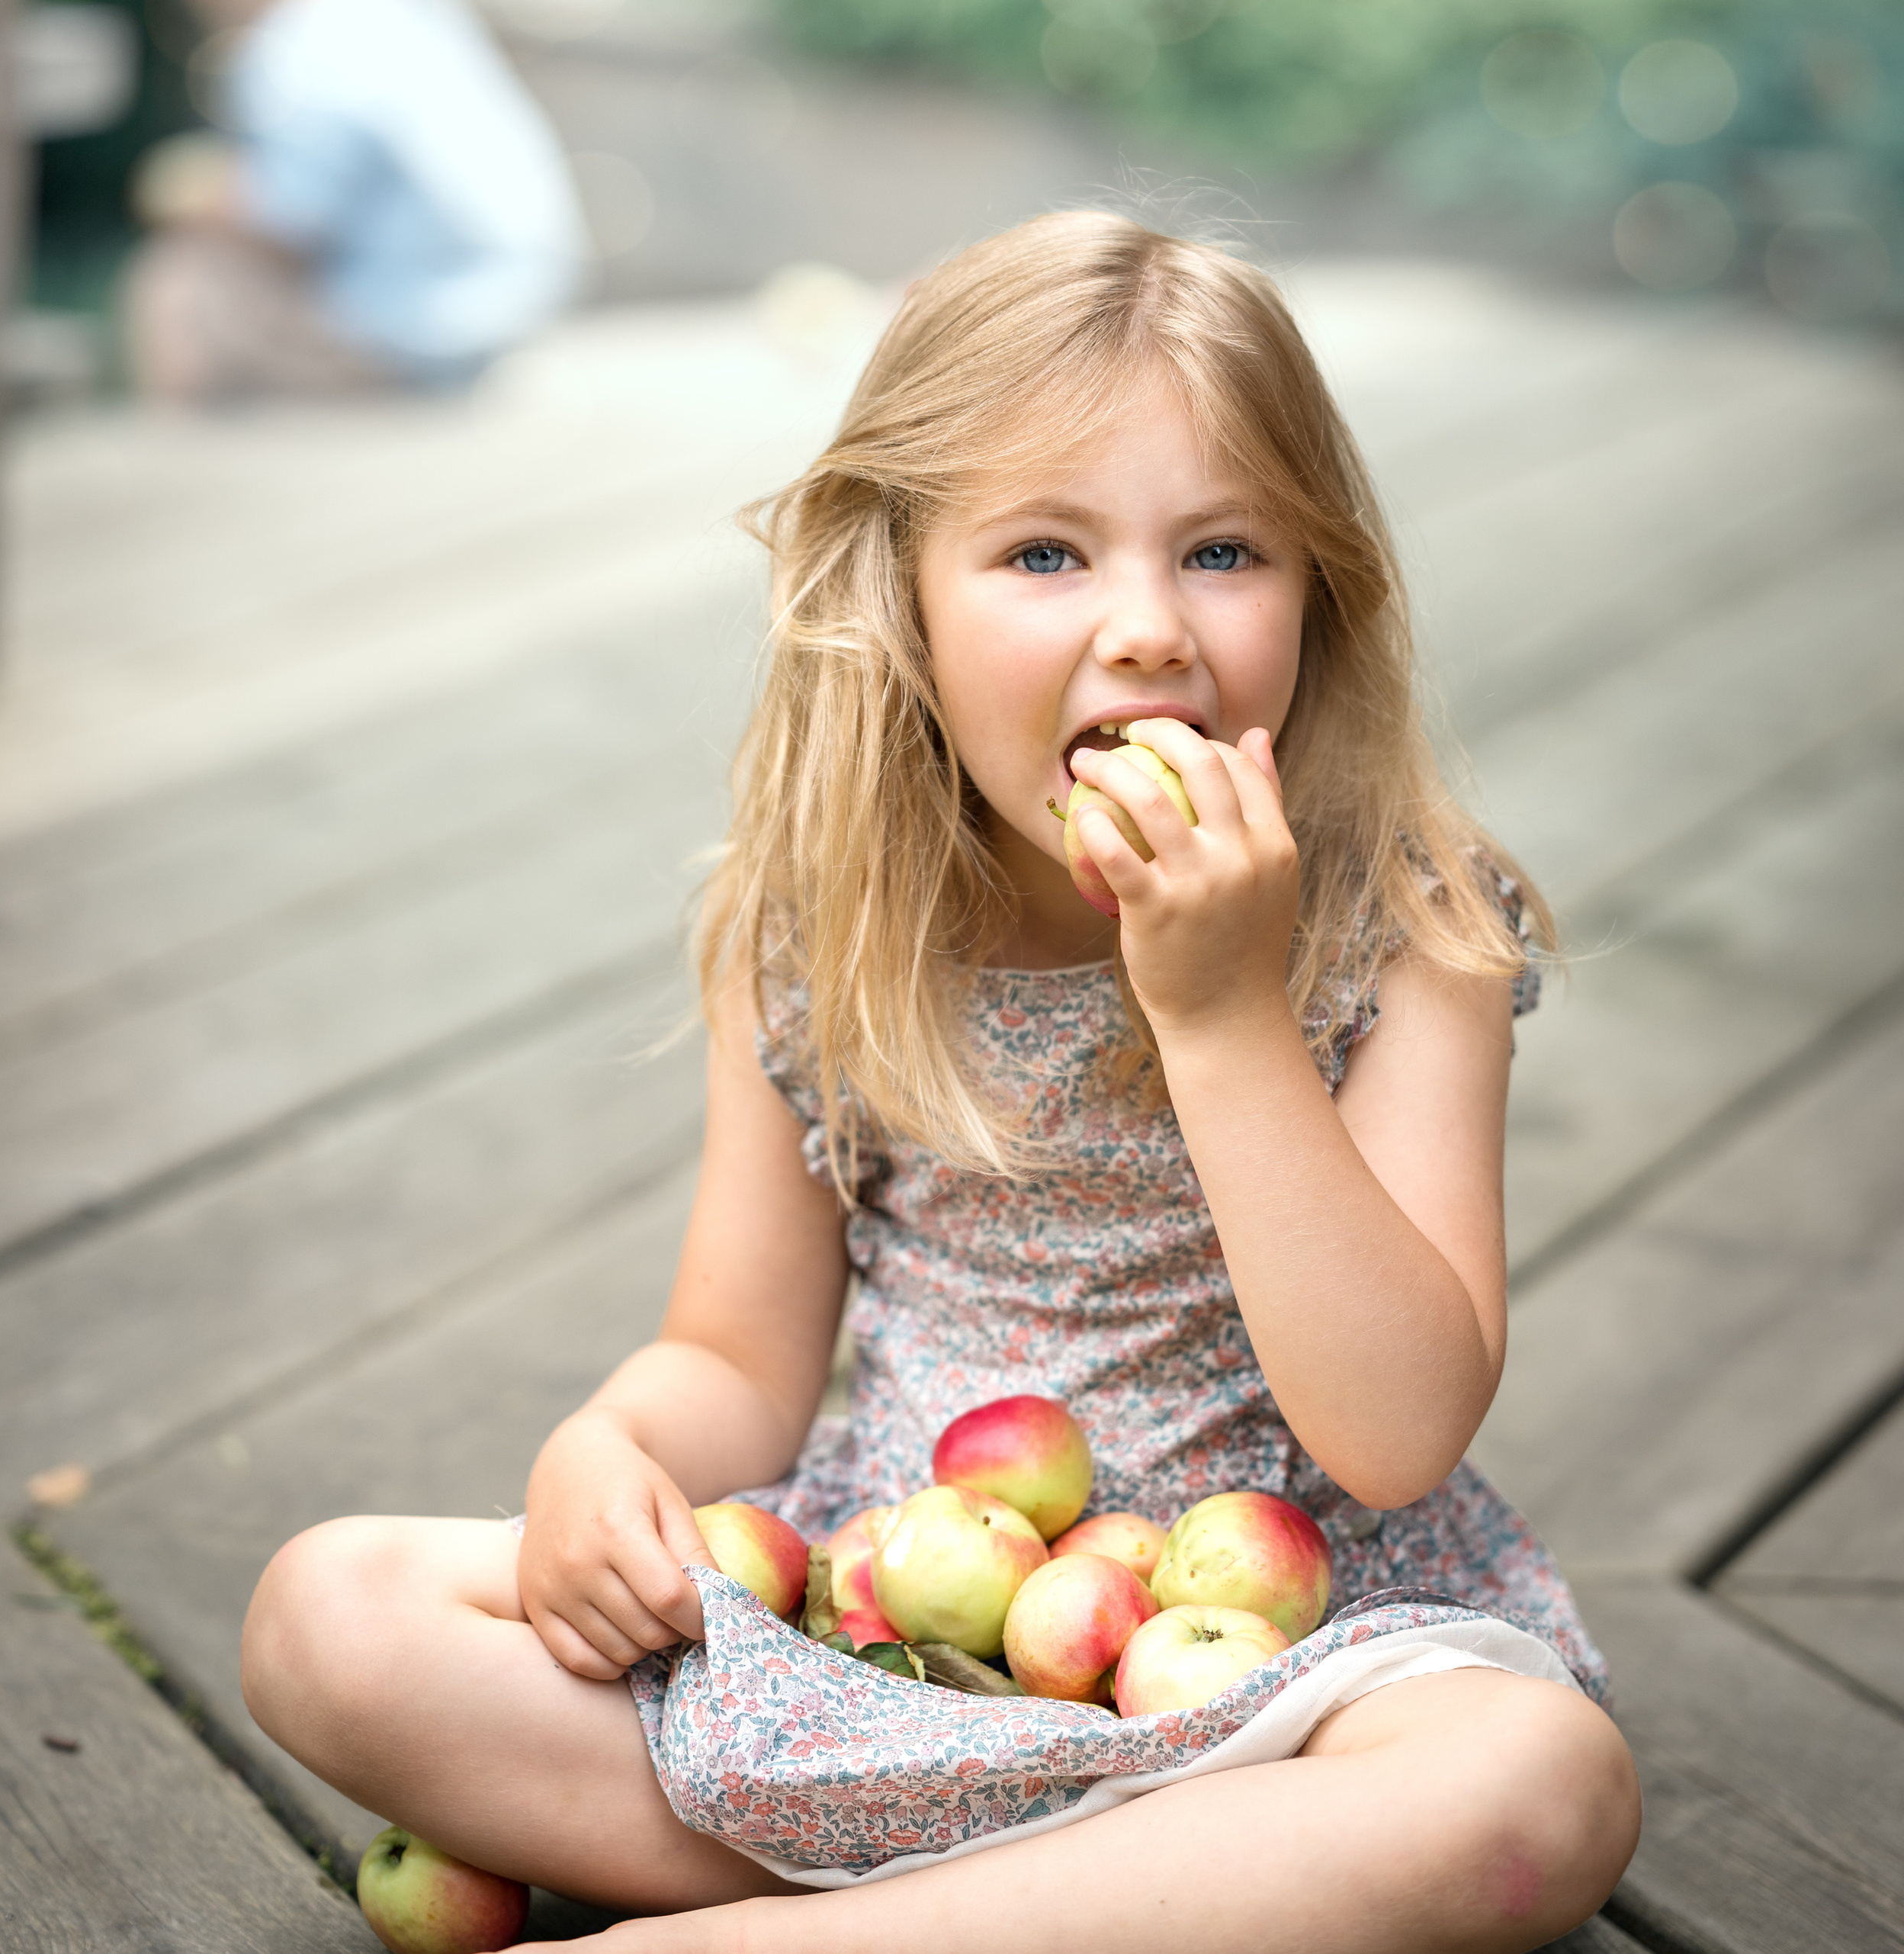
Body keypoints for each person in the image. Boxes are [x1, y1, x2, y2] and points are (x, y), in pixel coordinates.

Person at [241, 214, 1641, 1951]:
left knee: (1531, 1790)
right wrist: (605, 1449)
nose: (1143, 629)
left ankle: (798, 1924)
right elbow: (733, 1361)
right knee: (329, 1615)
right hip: (899, 1637)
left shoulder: (1405, 924)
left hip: (1290, 1673)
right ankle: (1093, 1910)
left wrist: (1217, 1016)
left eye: (1220, 549)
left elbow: (1396, 1423)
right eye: (1045, 555)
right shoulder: (817, 933)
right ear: (896, 592)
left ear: (1319, 588)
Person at [125, 0, 583, 403]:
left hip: (411, 325)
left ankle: (177, 459)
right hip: (508, 316)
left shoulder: (292, 47)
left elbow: (291, 220)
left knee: (180, 279)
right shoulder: (401, 16)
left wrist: (182, 195)